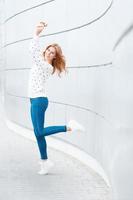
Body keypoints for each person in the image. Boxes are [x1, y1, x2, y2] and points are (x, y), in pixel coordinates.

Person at [28, 21, 85, 175]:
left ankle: (69, 127)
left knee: (39, 132)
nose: (48, 52)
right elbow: (36, 54)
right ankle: (45, 162)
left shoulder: (47, 66)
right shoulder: (41, 64)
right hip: (34, 100)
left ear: (54, 57)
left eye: (52, 52)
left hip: (39, 101)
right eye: (48, 49)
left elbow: (33, 53)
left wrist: (36, 34)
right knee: (38, 133)